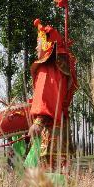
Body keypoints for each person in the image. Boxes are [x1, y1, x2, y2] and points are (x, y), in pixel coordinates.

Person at [27, 19, 77, 170]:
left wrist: (38, 122)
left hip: (49, 129)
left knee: (48, 176)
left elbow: (48, 97)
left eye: (38, 42)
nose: (36, 47)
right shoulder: (60, 66)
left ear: (47, 44)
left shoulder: (48, 69)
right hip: (60, 125)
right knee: (59, 174)